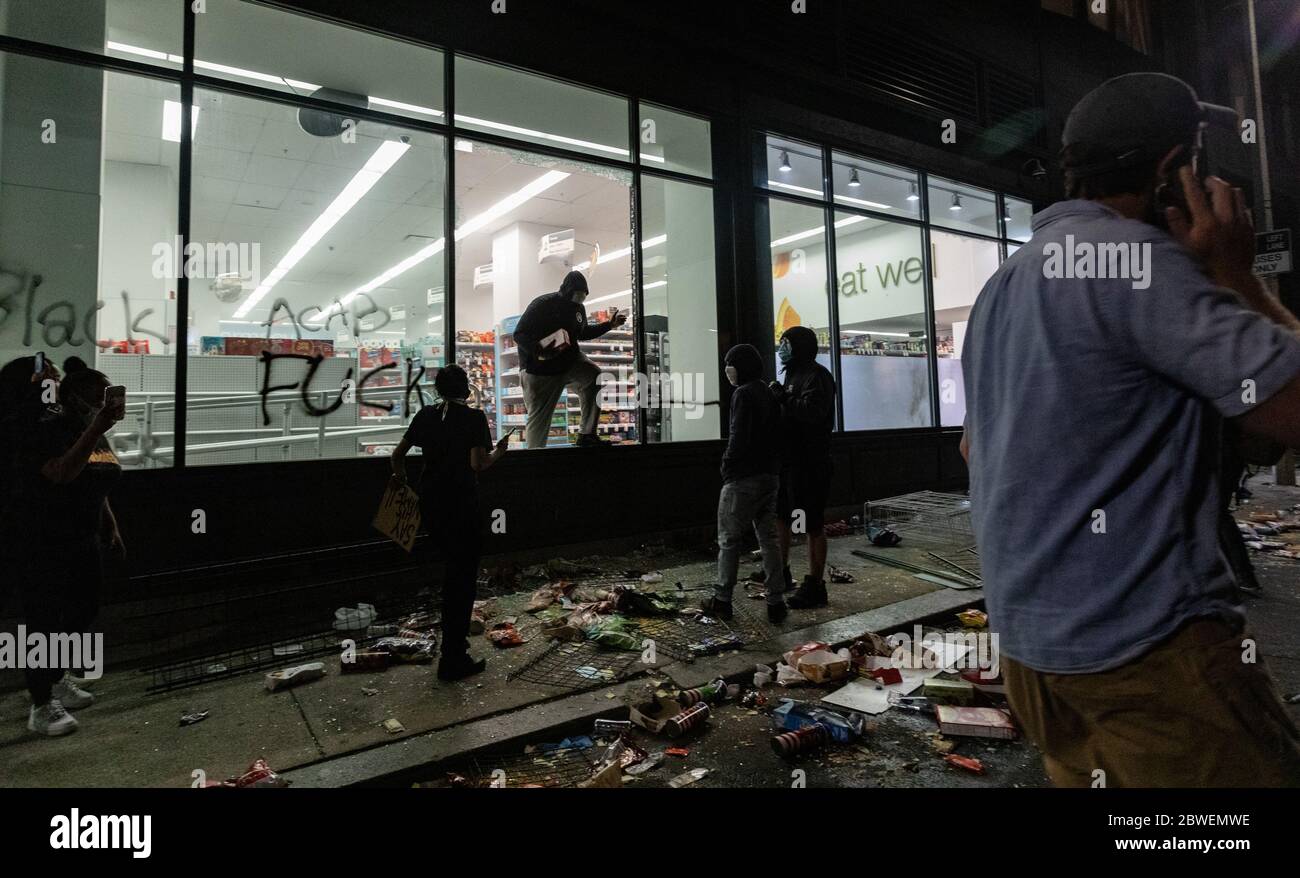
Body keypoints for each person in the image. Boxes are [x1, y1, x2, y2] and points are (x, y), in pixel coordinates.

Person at [961, 72, 1300, 786]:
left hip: (1033, 660)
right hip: (1150, 663)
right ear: (1171, 170)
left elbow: (973, 444)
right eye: (1199, 162)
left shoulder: (1005, 283)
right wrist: (1239, 277)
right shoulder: (1143, 266)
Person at [7, 355, 125, 737]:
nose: (53, 382)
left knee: (83, 607)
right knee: (44, 620)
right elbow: (61, 472)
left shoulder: (68, 419)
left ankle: (55, 677)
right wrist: (96, 426)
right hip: (40, 537)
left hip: (80, 533)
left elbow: (95, 472)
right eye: (46, 377)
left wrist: (108, 520)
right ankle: (41, 704)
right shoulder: (28, 425)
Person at [390, 364, 509, 681]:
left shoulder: (426, 415)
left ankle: (452, 652)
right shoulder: (473, 418)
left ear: (438, 390)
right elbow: (478, 464)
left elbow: (397, 455)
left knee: (450, 574)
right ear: (466, 390)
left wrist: (401, 479)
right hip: (461, 507)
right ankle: (453, 658)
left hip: (430, 504)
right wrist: (500, 451)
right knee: (462, 581)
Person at [701, 344, 788, 624]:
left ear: (740, 367)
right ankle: (776, 601)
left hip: (743, 478)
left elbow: (738, 435)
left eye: (730, 364)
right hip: (770, 476)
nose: (727, 370)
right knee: (769, 540)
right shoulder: (767, 391)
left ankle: (722, 599)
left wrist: (727, 466)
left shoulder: (743, 393)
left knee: (729, 540)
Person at [512, 270, 627, 449]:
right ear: (567, 291)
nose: (579, 300)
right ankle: (534, 459)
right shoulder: (542, 304)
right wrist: (540, 351)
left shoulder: (578, 309)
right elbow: (519, 334)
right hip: (540, 369)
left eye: (583, 297)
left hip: (569, 362)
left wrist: (609, 325)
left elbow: (583, 333)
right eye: (576, 295)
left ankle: (586, 435)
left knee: (594, 376)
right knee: (539, 420)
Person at [771, 325, 836, 609]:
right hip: (789, 462)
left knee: (811, 523)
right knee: (783, 517)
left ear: (799, 346)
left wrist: (784, 398)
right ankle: (782, 573)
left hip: (811, 463)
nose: (781, 347)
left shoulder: (817, 376)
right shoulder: (791, 374)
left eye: (785, 342)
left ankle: (815, 584)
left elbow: (813, 413)